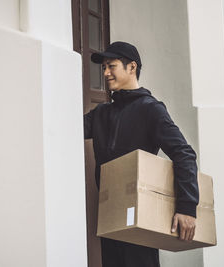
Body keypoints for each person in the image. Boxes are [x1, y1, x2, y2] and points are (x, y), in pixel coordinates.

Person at [84, 41, 199, 267]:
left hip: (142, 216)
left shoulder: (150, 109)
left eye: (112, 66)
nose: (106, 72)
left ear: (132, 67)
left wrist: (187, 208)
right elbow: (66, 128)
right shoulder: (101, 113)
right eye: (104, 67)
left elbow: (184, 154)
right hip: (109, 214)